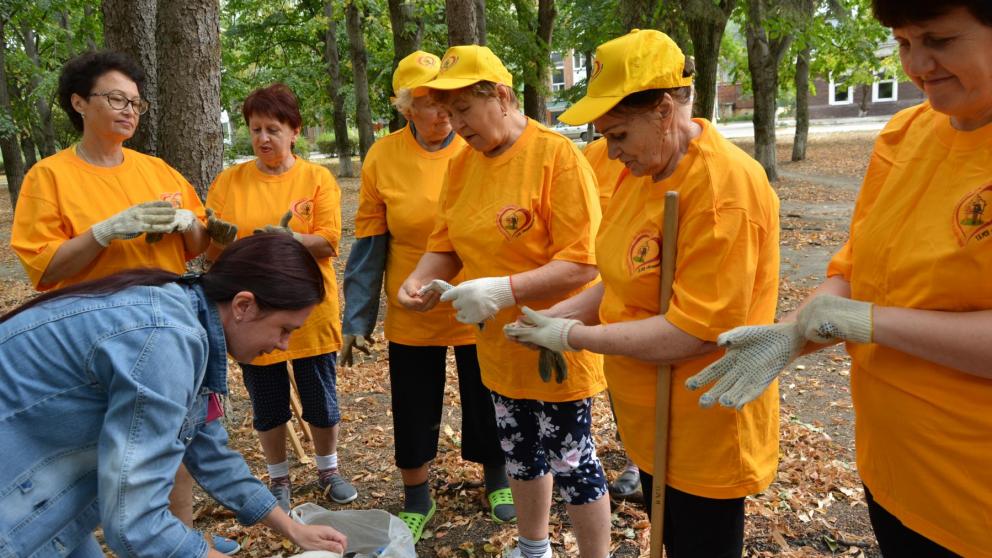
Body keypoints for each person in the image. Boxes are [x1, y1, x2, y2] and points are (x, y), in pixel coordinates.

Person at [684, 2, 992, 556]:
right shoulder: (906, 133)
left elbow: (866, 313)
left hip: (976, 502)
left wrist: (864, 322)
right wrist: (795, 331)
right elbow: (856, 268)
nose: (917, 65)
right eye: (902, 42)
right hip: (893, 474)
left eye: (940, 40)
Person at [505, 30, 781, 558]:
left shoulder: (724, 193)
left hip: (705, 425)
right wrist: (556, 316)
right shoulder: (643, 170)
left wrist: (576, 335)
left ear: (662, 110)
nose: (611, 152)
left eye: (619, 135)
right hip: (653, 419)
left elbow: (696, 331)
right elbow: (624, 276)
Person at [9, 50, 241, 554]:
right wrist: (105, 232)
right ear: (78, 102)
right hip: (90, 343)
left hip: (166, 332)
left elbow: (196, 245)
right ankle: (80, 539)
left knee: (173, 446)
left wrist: (208, 233)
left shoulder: (156, 170)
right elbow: (45, 268)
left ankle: (179, 541)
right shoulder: (49, 178)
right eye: (115, 98)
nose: (129, 110)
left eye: (136, 102)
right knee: (97, 454)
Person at [0, 235, 348, 557]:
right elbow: (134, 524)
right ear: (244, 305)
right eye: (284, 329)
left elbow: (208, 449)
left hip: (38, 485)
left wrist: (292, 529)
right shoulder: (164, 342)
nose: (283, 345)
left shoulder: (189, 312)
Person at [398, 45, 609, 558]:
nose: (455, 123)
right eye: (448, 113)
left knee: (572, 461)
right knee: (520, 454)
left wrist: (501, 290)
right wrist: (419, 282)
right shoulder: (463, 167)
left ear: (502, 96)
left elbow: (584, 262)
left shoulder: (556, 156)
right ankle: (533, 548)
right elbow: (444, 245)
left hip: (555, 342)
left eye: (464, 109)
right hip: (497, 350)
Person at [340, 51, 514, 542]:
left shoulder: (476, 145)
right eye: (426, 102)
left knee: (487, 394)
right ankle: (417, 494)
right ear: (404, 108)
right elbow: (370, 247)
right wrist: (357, 319)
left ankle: (496, 478)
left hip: (477, 299)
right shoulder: (383, 157)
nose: (441, 112)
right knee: (413, 401)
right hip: (414, 303)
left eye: (446, 101)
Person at [206, 84, 357, 511]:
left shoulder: (316, 178)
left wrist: (292, 237)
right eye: (255, 129)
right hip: (252, 316)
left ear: (295, 131)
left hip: (309, 307)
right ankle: (278, 480)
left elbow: (329, 242)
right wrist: (214, 240)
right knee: (268, 401)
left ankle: (328, 469)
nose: (263, 138)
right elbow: (215, 251)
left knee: (319, 396)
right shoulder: (229, 181)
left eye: (273, 128)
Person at [580, 137, 641, 502]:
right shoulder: (592, 155)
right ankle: (636, 452)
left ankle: (639, 463)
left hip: (644, 286)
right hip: (602, 289)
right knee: (619, 377)